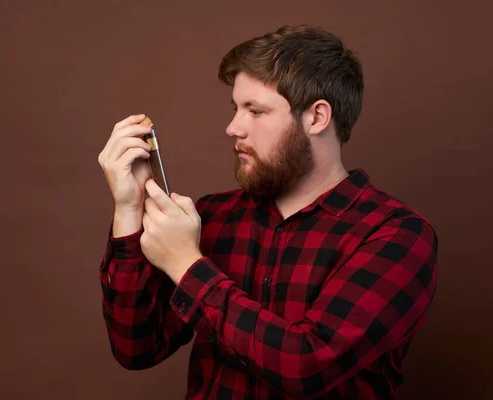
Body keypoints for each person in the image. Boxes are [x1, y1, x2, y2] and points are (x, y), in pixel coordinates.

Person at [97, 24, 438, 399]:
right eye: (235, 108)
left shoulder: (395, 236)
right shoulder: (213, 217)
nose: (232, 127)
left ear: (316, 118)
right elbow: (136, 348)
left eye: (255, 111)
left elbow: (306, 366)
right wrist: (128, 210)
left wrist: (185, 264)